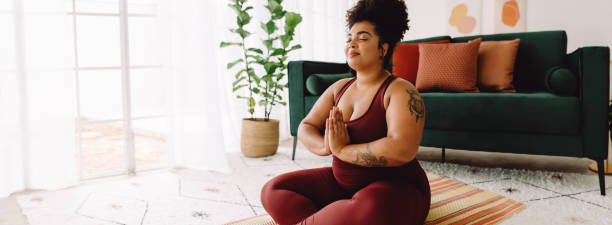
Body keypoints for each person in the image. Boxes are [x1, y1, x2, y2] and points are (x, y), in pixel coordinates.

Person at [260, 0, 429, 224]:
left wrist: (342, 150)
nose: (352, 44)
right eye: (349, 38)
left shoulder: (400, 91)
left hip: (395, 191)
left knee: (369, 207)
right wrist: (325, 146)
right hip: (343, 187)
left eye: (362, 38)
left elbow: (401, 149)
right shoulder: (339, 88)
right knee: (274, 189)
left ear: (383, 48)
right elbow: (306, 126)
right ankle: (338, 215)